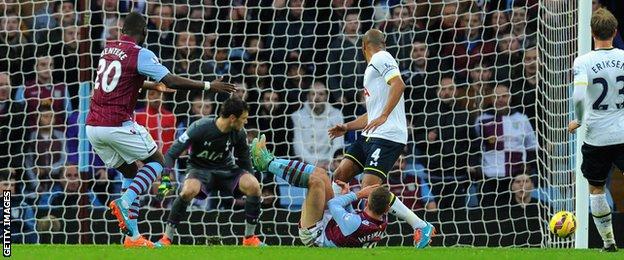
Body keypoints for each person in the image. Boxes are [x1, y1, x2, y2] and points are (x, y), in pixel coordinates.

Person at [85, 12, 235, 248]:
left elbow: (120, 79)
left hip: (93, 127)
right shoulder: (140, 53)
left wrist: (152, 85)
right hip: (116, 124)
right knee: (157, 161)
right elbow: (172, 80)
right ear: (144, 32)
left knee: (130, 174)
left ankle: (132, 237)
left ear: (122, 30)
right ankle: (126, 200)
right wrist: (209, 85)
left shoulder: (108, 50)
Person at [327, 29, 434, 248]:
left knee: (369, 186)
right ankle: (331, 224)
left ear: (363, 46)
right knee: (340, 174)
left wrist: (385, 115)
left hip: (388, 135)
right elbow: (373, 114)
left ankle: (420, 225)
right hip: (370, 134)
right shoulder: (372, 69)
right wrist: (347, 126)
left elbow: (399, 84)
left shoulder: (381, 57)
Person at [155, 97, 263, 247]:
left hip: (226, 170)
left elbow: (245, 161)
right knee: (187, 191)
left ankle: (249, 238)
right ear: (232, 118)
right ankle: (167, 238)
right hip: (199, 169)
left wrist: (251, 182)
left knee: (254, 185)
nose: (245, 122)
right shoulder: (199, 127)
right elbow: (171, 154)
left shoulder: (239, 133)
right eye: (244, 118)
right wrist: (165, 179)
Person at [251, 135, 391, 248]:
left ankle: (268, 164)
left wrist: (357, 194)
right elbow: (350, 219)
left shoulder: (358, 223)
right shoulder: (379, 223)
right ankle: (270, 160)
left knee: (315, 182)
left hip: (316, 236)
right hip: (330, 224)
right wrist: (347, 195)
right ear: (386, 210)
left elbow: (334, 205)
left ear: (367, 203)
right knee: (321, 173)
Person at [568, 8, 623, 252]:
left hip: (597, 136)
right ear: (615, 31)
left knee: (596, 188)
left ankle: (609, 243)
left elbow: (579, 95)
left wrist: (578, 120)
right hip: (623, 132)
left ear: (592, 33)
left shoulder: (583, 62)